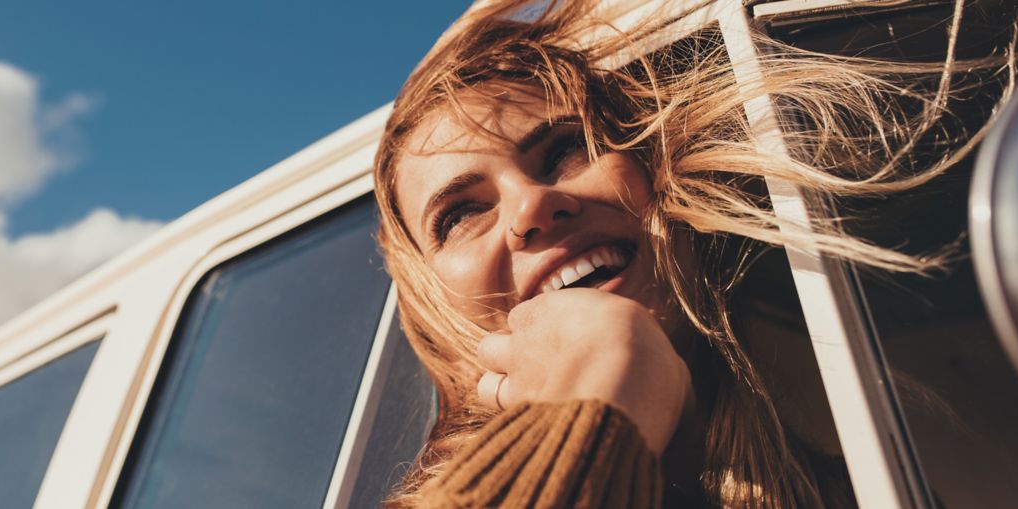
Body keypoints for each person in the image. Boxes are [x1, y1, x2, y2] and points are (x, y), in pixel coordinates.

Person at [371, 0, 983, 507]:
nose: (531, 206)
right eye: (461, 215)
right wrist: (605, 383)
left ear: (651, 175)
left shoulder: (859, 488)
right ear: (433, 309)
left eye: (564, 150)